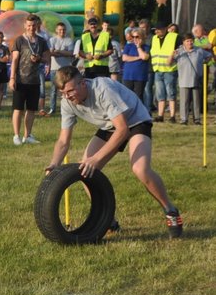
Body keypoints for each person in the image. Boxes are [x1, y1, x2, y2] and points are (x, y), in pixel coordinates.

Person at [46, 65, 183, 238]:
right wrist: (54, 164)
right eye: (63, 93)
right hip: (110, 125)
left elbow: (123, 130)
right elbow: (63, 141)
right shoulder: (67, 102)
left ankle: (170, 210)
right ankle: (108, 220)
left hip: (135, 120)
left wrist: (96, 159)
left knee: (140, 169)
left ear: (83, 83)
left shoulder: (103, 89)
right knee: (85, 171)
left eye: (70, 91)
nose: (67, 96)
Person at [9, 14, 51, 145]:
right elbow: (15, 59)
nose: (31, 28)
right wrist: (12, 77)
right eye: (29, 25)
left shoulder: (42, 41)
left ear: (37, 25)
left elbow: (47, 58)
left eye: (33, 25)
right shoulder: (19, 40)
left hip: (35, 80)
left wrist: (39, 59)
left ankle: (27, 136)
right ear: (25, 25)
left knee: (31, 109)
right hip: (20, 79)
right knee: (18, 109)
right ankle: (16, 135)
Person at [169, 33, 214, 125]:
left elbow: (209, 55)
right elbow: (169, 63)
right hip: (184, 81)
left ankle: (196, 119)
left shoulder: (199, 50)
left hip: (196, 80)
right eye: (187, 41)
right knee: (184, 101)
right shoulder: (179, 51)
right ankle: (184, 119)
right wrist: (171, 55)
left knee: (196, 101)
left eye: (191, 41)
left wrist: (204, 63)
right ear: (183, 42)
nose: (190, 43)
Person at [150, 22, 181, 123]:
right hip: (158, 69)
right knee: (160, 94)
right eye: (155, 30)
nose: (156, 31)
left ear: (164, 29)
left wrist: (173, 57)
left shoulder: (174, 37)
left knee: (171, 93)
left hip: (170, 70)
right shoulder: (154, 38)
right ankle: (160, 116)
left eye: (158, 29)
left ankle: (172, 116)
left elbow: (180, 50)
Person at [47, 22, 74, 114]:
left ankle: (67, 108)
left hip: (65, 68)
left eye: (63, 30)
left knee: (66, 89)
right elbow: (50, 53)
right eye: (60, 30)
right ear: (56, 30)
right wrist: (63, 52)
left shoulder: (69, 40)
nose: (62, 31)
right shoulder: (52, 40)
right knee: (53, 90)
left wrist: (58, 51)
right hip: (54, 68)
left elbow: (71, 53)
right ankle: (52, 109)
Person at [121, 28, 150, 101]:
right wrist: (138, 57)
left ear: (142, 37)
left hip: (140, 76)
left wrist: (138, 47)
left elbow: (144, 57)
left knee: (138, 97)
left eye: (137, 37)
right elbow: (124, 58)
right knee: (127, 97)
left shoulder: (146, 47)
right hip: (128, 76)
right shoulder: (128, 46)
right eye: (133, 37)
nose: (134, 39)